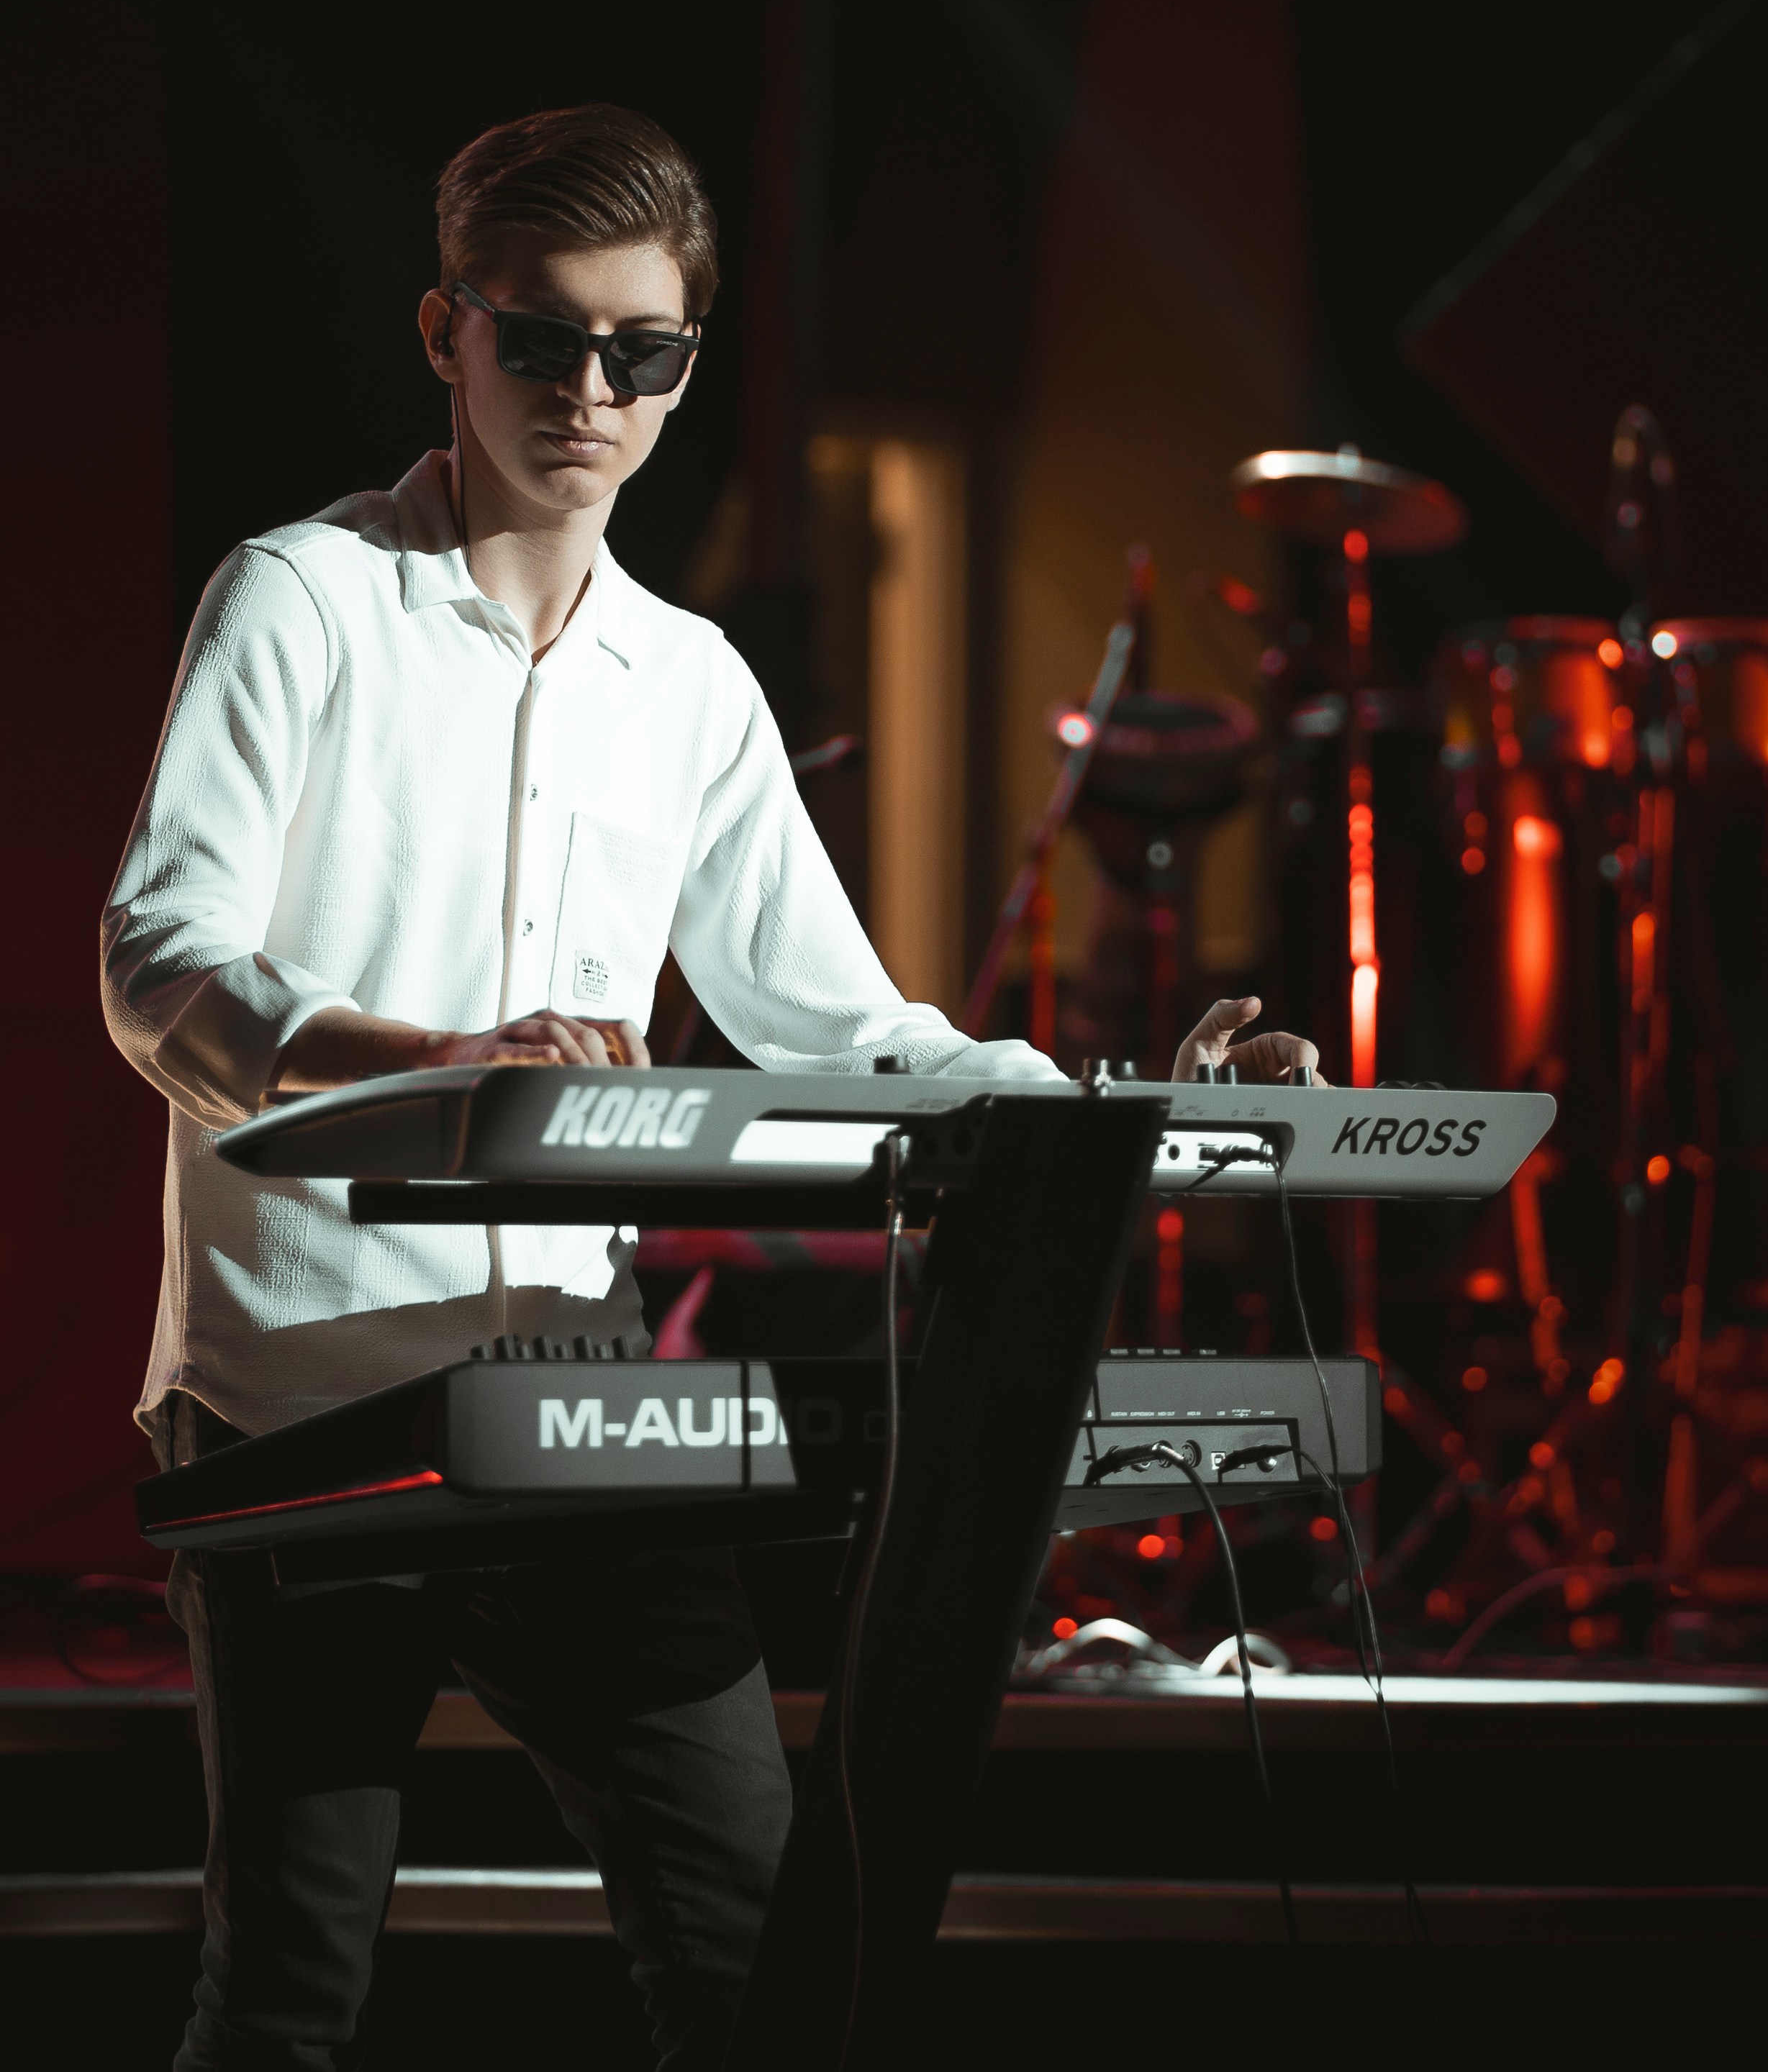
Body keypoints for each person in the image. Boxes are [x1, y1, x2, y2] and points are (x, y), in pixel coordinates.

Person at [102, 101, 1318, 2068]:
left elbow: (849, 1028)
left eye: (642, 353)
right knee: (290, 1990)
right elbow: (161, 961)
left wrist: (1120, 1109)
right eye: (539, 339)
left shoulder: (689, 683)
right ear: (443, 331)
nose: (589, 393)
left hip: (570, 1391)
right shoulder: (301, 598)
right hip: (305, 1385)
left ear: (684, 367)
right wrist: (437, 1060)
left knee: (762, 1958)